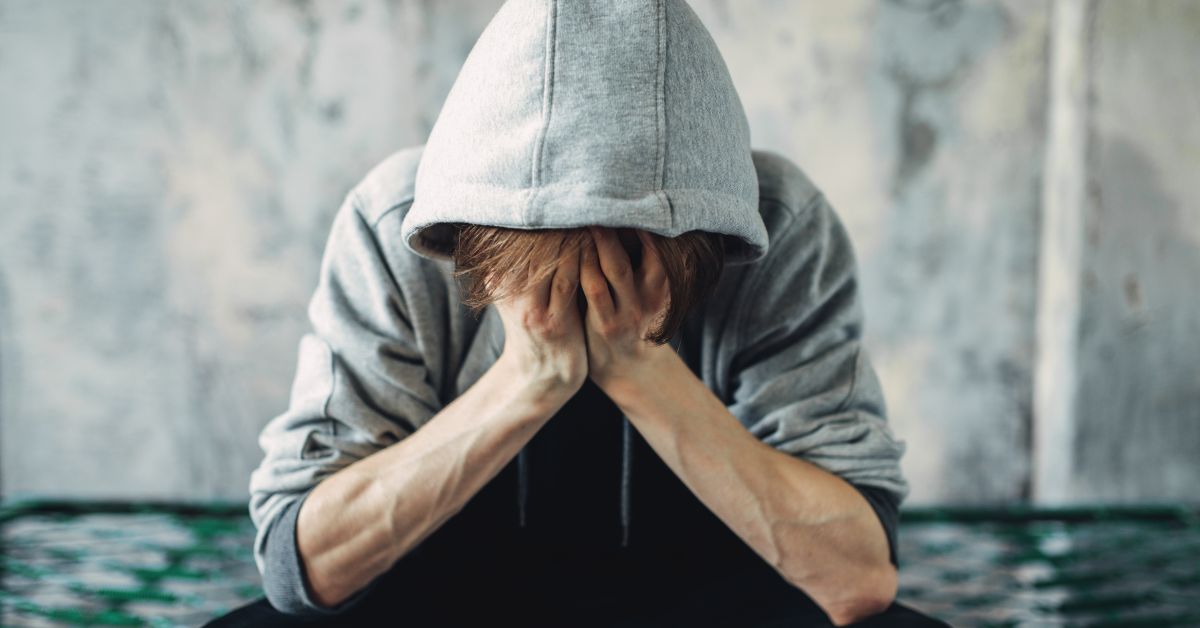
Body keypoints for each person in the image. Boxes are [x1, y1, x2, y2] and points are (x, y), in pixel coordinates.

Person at [206, 1, 949, 626]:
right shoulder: (390, 222)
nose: (587, 300)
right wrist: (528, 379)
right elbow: (299, 567)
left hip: (712, 595)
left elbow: (859, 579)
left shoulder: (781, 226)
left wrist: (640, 368)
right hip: (445, 594)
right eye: (547, 278)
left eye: (625, 267)